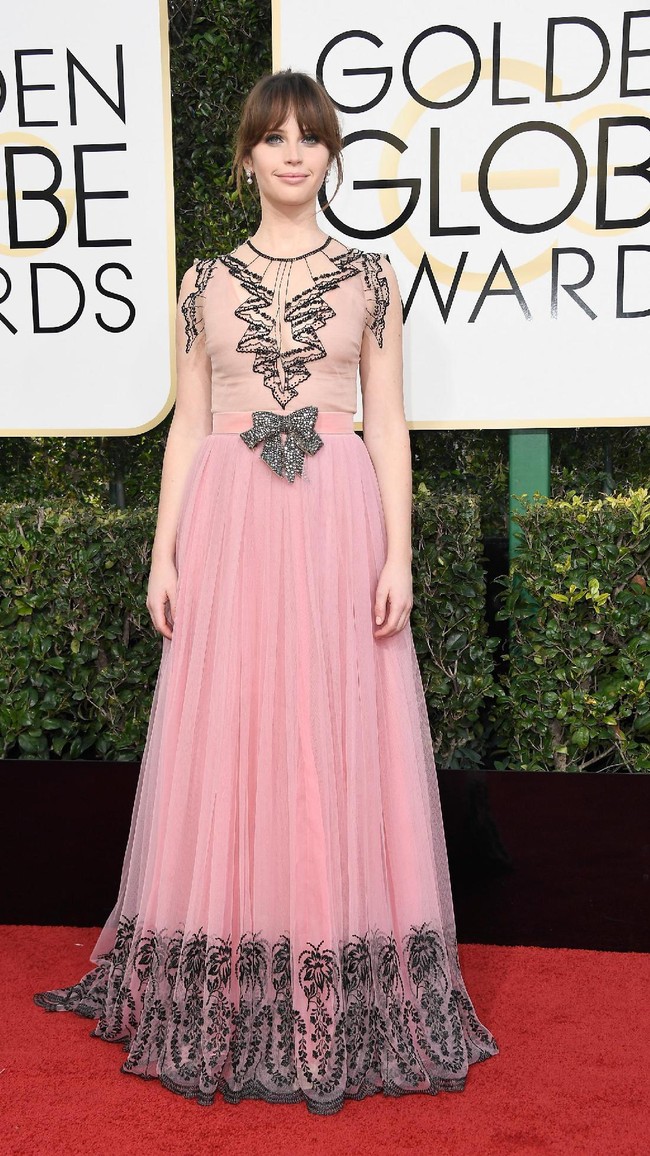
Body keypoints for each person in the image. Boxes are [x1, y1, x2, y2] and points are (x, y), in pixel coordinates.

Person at [34, 69, 498, 1115]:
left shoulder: (371, 278)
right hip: (229, 522)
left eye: (310, 136)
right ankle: (232, 966)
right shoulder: (201, 282)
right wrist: (163, 556)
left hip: (334, 520)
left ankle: (331, 957)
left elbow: (389, 422)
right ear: (243, 156)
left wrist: (397, 555)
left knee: (333, 729)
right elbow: (188, 427)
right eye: (272, 136)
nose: (292, 151)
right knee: (235, 730)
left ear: (328, 157)